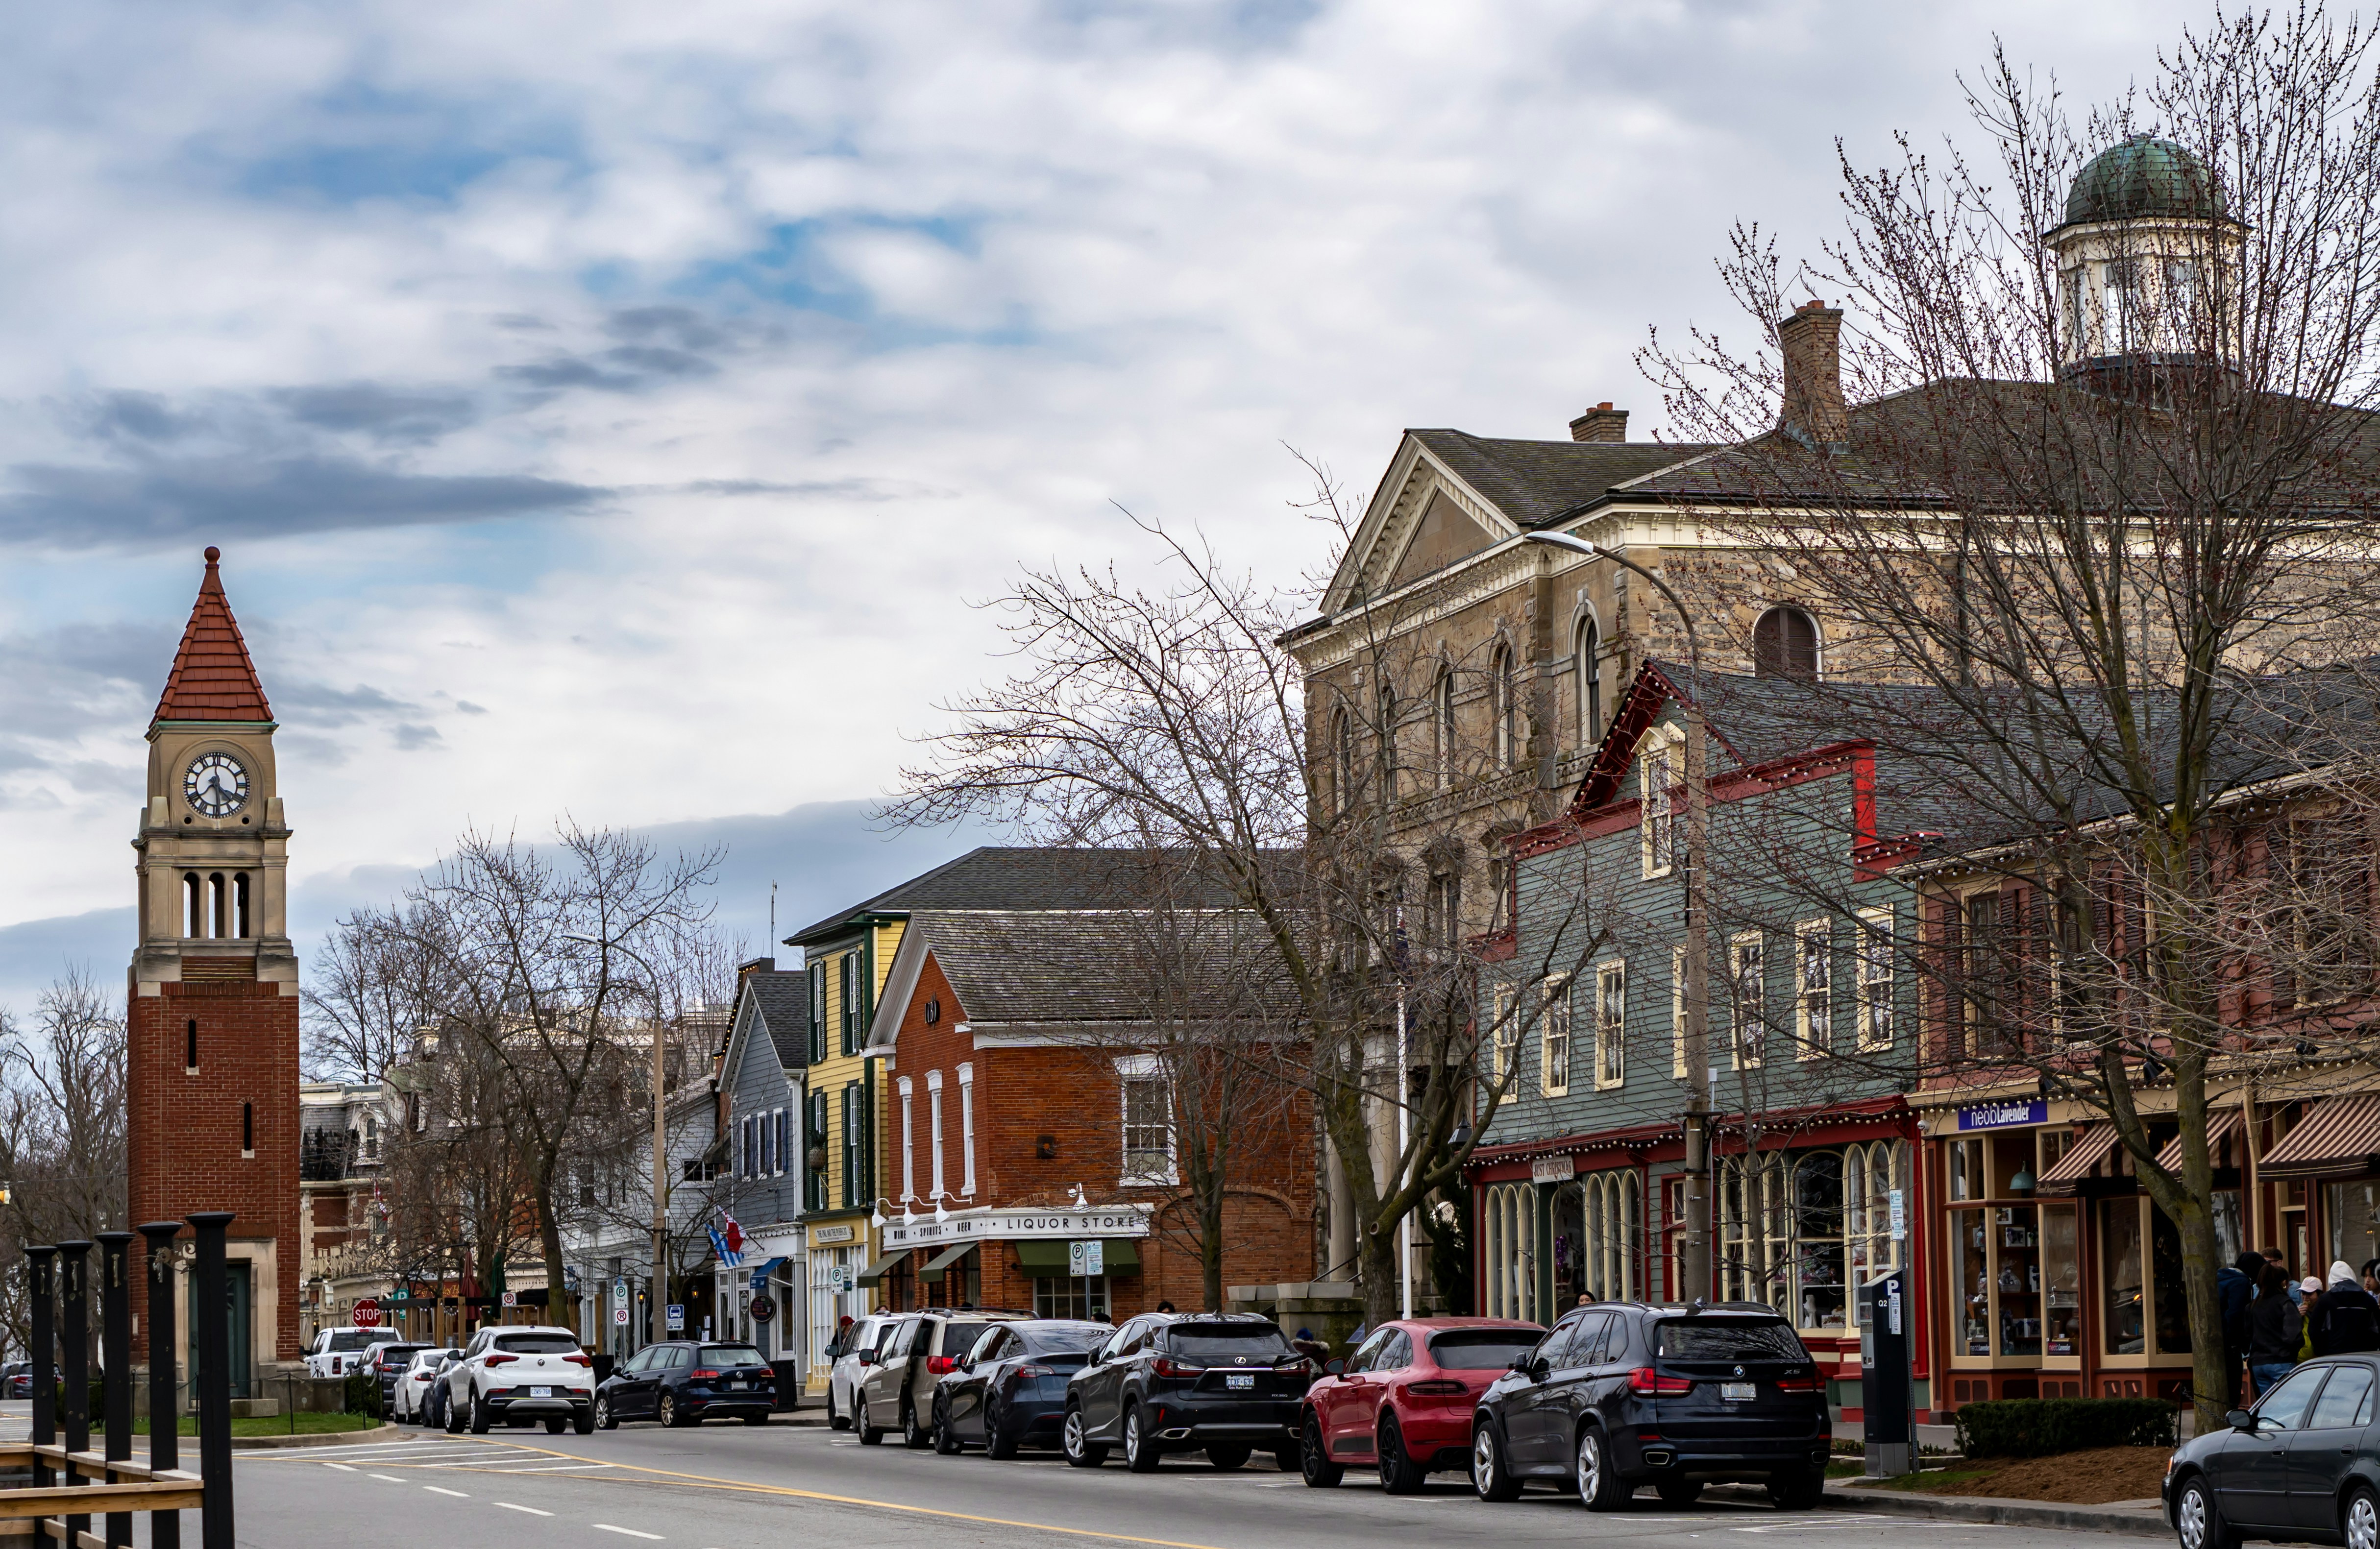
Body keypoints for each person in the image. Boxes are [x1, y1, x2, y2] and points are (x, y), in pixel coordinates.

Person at [2249, 1262, 2303, 1400]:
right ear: (2283, 1283)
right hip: (2282, 1360)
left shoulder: (2254, 1305)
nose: (2289, 1285)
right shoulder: (2285, 1303)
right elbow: (2292, 1336)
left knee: (2267, 1405)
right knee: (2287, 1405)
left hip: (2258, 1362)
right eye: (2288, 1283)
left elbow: (2247, 1333)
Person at [2309, 1260, 2380, 1356]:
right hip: (2363, 1357)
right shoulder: (2369, 1300)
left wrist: (2323, 1352)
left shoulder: (2325, 1300)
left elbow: (2314, 1330)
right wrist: (2370, 1349)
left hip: (2333, 1358)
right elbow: (2376, 1329)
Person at [2219, 1250, 2262, 1406]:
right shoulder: (2241, 1282)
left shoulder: (2222, 1278)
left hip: (2218, 1340)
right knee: (2233, 1385)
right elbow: (2236, 1313)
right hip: (2230, 1343)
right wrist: (2238, 1342)